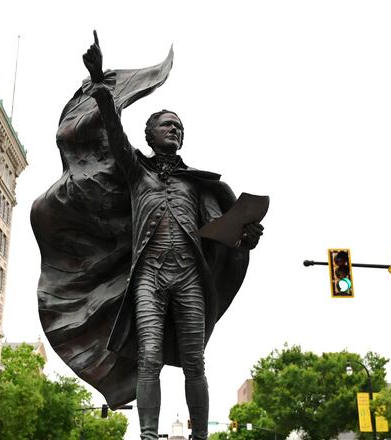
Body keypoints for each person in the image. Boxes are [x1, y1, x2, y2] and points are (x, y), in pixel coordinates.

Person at [80, 32, 263, 440]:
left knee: (195, 361)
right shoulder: (136, 172)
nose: (175, 131)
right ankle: (148, 435)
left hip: (189, 276)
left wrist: (246, 236)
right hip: (149, 276)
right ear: (151, 135)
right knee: (149, 357)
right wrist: (101, 86)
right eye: (167, 125)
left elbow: (223, 235)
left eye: (179, 127)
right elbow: (114, 135)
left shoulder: (197, 186)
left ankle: (199, 436)